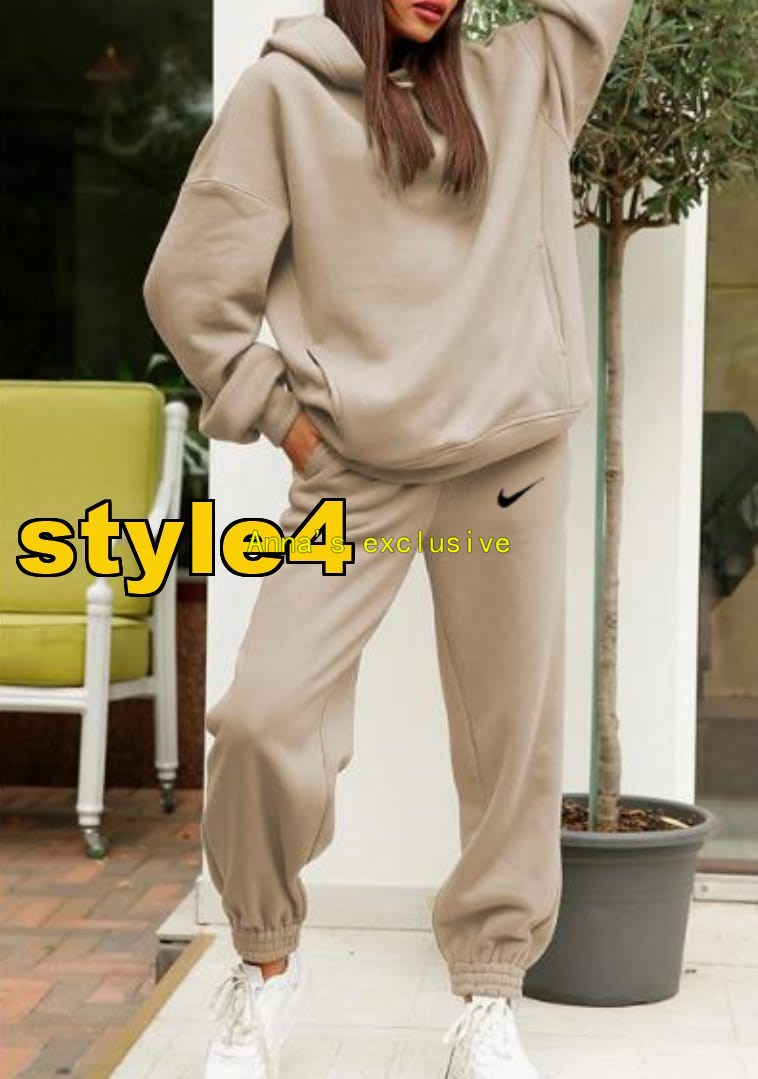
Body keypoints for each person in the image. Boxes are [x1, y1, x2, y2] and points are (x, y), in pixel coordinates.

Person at [142, 1, 633, 1075]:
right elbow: (190, 285)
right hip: (354, 474)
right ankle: (266, 967)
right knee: (264, 716)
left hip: (508, 468)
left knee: (510, 739)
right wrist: (287, 423)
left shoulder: (527, 77)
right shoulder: (282, 96)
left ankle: (488, 995)